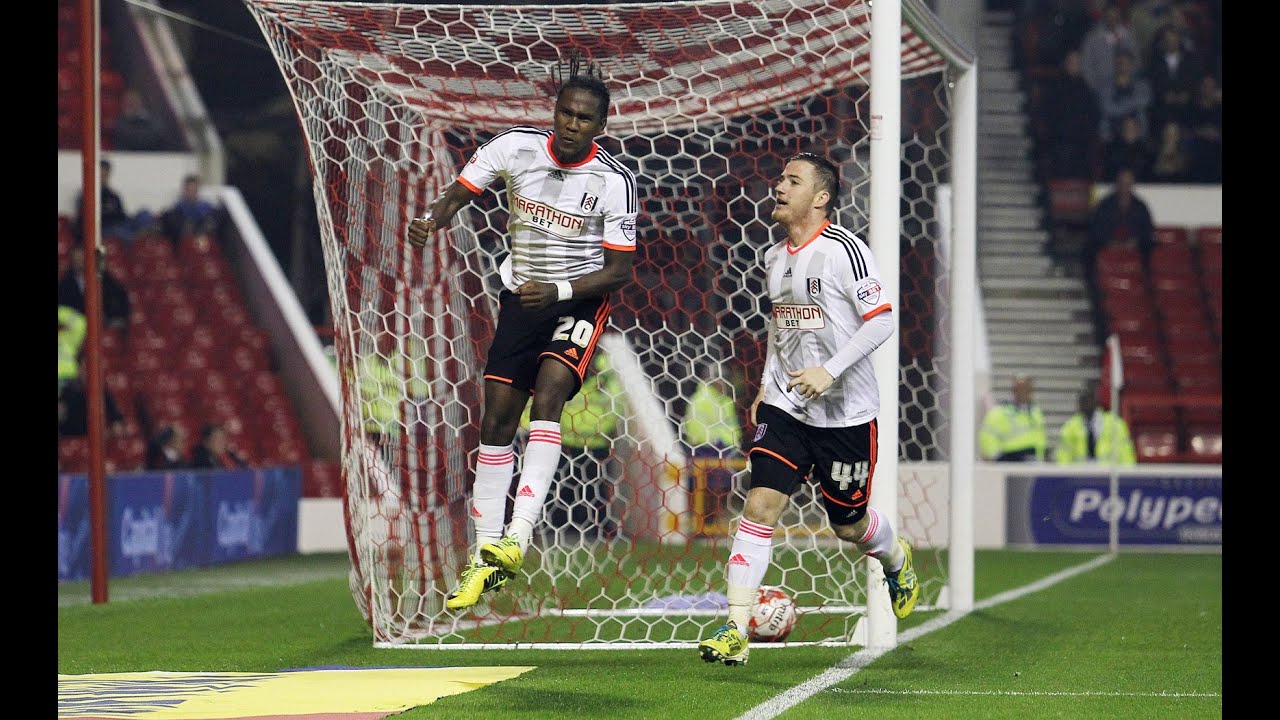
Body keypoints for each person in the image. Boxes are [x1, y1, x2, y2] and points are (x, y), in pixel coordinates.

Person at [405, 52, 638, 610]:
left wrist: (559, 292)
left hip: (577, 302)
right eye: (565, 113)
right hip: (521, 300)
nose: (571, 124)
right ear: (554, 112)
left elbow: (621, 269)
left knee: (550, 394)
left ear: (601, 127)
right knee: (496, 420)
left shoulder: (613, 182)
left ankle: (518, 536)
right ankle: (486, 557)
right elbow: (463, 189)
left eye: (584, 118)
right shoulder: (516, 147)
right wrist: (434, 217)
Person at [697, 152, 918, 666]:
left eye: (792, 180)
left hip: (845, 415)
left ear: (820, 198)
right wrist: (765, 384)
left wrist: (831, 370)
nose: (779, 186)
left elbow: (882, 320)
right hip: (787, 406)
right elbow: (781, 325)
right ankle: (735, 627)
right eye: (779, 178)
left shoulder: (845, 251)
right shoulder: (774, 258)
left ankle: (894, 555)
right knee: (759, 508)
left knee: (848, 524)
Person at [681, 362, 745, 530]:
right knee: (703, 489)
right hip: (705, 449)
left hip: (725, 451)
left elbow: (732, 426)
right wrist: (714, 441)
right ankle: (700, 524)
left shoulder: (726, 401)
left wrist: (732, 443)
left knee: (720, 489)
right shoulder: (700, 399)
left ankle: (712, 523)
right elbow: (694, 427)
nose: (723, 383)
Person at [1041, 49, 1102, 180]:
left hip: (1081, 145)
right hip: (1059, 143)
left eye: (1077, 62)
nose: (1074, 65)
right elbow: (1048, 114)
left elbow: (1093, 116)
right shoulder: (1055, 87)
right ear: (1065, 63)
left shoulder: (1086, 90)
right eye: (1071, 62)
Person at [1086, 165, 1156, 273]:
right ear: (1117, 183)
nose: (1125, 185)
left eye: (1128, 182)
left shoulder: (1140, 206)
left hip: (1134, 244)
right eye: (1122, 182)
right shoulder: (1105, 204)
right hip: (1108, 243)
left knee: (1151, 249)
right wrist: (1111, 243)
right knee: (1089, 249)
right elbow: (1096, 228)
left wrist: (1134, 242)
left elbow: (1148, 230)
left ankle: (1143, 285)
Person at [71, 159, 155, 244]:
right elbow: (83, 221)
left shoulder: (113, 195)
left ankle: (142, 235)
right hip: (104, 229)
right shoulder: (87, 195)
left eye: (105, 174)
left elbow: (122, 215)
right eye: (101, 174)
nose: (103, 177)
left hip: (121, 224)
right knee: (119, 232)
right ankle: (137, 239)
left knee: (144, 213)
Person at [1055, 384, 1137, 465]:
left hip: (1108, 474)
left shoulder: (1115, 424)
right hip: (1079, 475)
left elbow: (1127, 454)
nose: (1083, 404)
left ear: (1095, 401)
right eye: (1081, 401)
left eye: (1087, 400)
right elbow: (1062, 457)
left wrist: (1128, 475)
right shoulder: (1070, 427)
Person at [57, 244, 132, 332]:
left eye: (82, 256)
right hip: (76, 331)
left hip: (101, 329)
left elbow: (119, 303)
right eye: (76, 257)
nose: (79, 260)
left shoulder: (106, 280)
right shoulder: (64, 283)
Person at [978, 374, 1048, 462]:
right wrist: (997, 457)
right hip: (1010, 462)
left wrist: (1040, 457)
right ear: (1014, 390)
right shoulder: (1000, 412)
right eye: (1020, 389)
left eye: (1026, 389)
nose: (1023, 392)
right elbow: (987, 435)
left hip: (1033, 462)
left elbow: (1040, 438)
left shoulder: (1036, 412)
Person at [160, 174, 221, 242]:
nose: (191, 193)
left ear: (197, 190)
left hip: (203, 240)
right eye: (188, 190)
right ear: (184, 190)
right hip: (183, 241)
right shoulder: (177, 207)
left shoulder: (206, 206)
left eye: (193, 190)